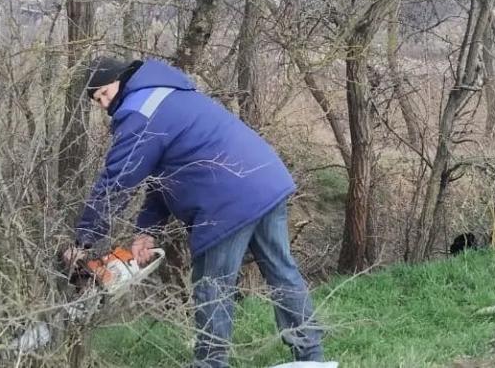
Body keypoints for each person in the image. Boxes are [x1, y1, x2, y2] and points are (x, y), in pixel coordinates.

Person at [62, 57, 324, 368]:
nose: (105, 104)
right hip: (265, 179)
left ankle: (210, 364)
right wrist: (147, 230)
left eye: (104, 94)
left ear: (120, 79)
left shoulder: (138, 112)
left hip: (227, 198)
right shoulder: (166, 92)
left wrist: (84, 241)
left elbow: (117, 182)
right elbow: (166, 174)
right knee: (281, 271)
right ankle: (311, 357)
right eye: (97, 101)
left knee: (212, 287)